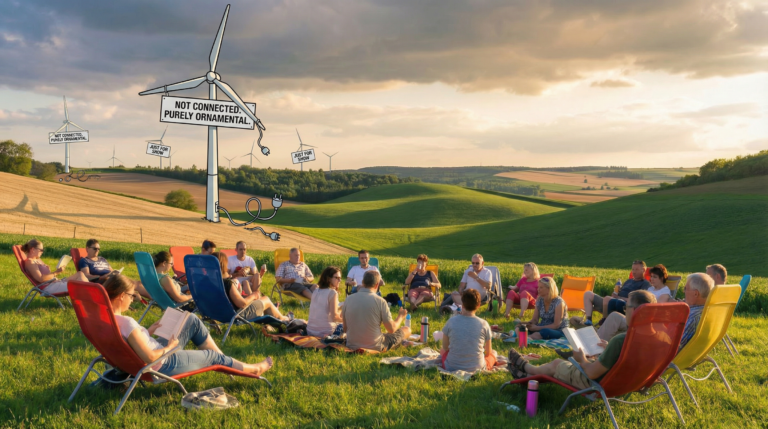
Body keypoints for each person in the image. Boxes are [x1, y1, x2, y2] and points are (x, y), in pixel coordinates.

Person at [104, 274, 273, 377]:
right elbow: (150, 358)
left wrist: (147, 332)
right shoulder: (127, 322)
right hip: (163, 363)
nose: (133, 299)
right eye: (131, 295)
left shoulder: (107, 320)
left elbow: (130, 344)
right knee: (212, 356)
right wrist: (169, 347)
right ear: (121, 296)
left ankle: (228, 362)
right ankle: (253, 369)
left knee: (191, 319)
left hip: (150, 355)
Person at [507, 290, 656, 390]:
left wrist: (581, 359)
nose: (625, 310)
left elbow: (591, 373)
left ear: (635, 311)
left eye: (626, 307)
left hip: (600, 382)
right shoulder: (659, 338)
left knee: (557, 364)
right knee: (585, 359)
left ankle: (528, 368)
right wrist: (609, 348)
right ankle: (527, 378)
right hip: (629, 382)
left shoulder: (621, 341)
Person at [343, 271, 411, 351]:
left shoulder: (348, 299)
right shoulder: (380, 301)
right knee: (407, 329)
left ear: (363, 282)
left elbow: (345, 329)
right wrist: (400, 316)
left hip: (351, 344)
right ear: (377, 285)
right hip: (375, 346)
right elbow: (391, 329)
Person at [214, 252, 291, 323]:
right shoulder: (227, 283)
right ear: (224, 266)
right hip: (236, 315)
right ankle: (285, 320)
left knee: (256, 298)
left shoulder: (211, 282)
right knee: (266, 299)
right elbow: (242, 304)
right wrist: (254, 295)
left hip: (218, 314)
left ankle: (274, 318)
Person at [440, 289, 497, 372]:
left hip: (452, 366)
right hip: (477, 368)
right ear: (478, 305)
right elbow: (488, 352)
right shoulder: (484, 324)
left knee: (442, 351)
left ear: (462, 304)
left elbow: (445, 347)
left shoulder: (451, 321)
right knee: (493, 353)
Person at [582, 260, 651, 326]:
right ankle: (589, 321)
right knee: (588, 294)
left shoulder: (645, 284)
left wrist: (618, 297)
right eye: (633, 269)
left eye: (636, 269)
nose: (634, 272)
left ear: (643, 270)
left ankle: (604, 321)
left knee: (608, 299)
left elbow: (638, 302)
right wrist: (615, 293)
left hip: (624, 307)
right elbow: (618, 294)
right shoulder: (628, 281)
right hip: (611, 303)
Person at [78, 238, 150, 298]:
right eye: (95, 248)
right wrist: (101, 277)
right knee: (133, 285)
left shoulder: (102, 259)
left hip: (112, 279)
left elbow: (111, 270)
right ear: (87, 249)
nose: (97, 250)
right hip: (103, 283)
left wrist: (115, 273)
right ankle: (149, 298)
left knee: (138, 283)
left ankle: (152, 299)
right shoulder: (85, 261)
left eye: (98, 249)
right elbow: (86, 276)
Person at [21, 239, 89, 295]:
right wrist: (56, 272)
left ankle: (90, 294)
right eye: (41, 250)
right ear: (33, 249)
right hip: (49, 287)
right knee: (80, 285)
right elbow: (40, 279)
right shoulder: (30, 262)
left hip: (55, 282)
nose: (42, 252)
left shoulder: (37, 259)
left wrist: (48, 270)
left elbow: (46, 275)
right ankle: (90, 297)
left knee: (80, 274)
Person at [678, 273, 715, 352]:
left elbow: (676, 346)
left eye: (685, 288)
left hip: (667, 355)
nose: (683, 291)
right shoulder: (708, 312)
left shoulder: (693, 317)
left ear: (695, 293)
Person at [307, 267, 344, 338]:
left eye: (340, 278)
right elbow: (334, 317)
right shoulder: (332, 293)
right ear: (328, 278)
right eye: (337, 278)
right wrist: (347, 321)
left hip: (310, 331)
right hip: (326, 332)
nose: (340, 280)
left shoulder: (316, 291)